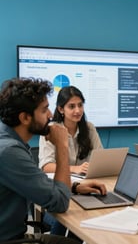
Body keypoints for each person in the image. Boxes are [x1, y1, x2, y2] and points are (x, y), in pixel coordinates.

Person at [0, 78, 107, 243]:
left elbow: (36, 181)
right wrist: (62, 146)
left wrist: (75, 186)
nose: (50, 115)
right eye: (44, 110)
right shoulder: (9, 152)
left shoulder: (9, 142)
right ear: (25, 118)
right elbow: (60, 203)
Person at [38, 85, 103, 236]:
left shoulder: (89, 128)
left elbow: (100, 158)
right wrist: (74, 169)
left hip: (84, 188)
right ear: (61, 109)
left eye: (80, 105)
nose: (78, 110)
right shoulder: (51, 129)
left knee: (90, 214)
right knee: (71, 216)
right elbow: (46, 166)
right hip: (60, 191)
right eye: (71, 106)